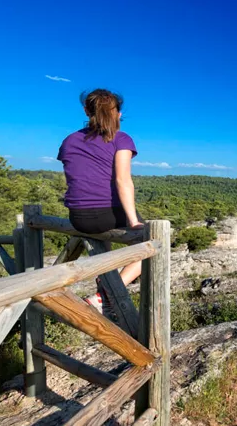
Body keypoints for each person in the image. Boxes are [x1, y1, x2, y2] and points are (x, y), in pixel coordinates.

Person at [57, 89, 143, 317]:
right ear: (119, 114)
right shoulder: (121, 139)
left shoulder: (69, 140)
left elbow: (76, 176)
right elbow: (123, 180)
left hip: (78, 217)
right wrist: (134, 222)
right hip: (106, 214)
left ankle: (105, 284)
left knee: (103, 249)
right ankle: (105, 296)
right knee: (151, 245)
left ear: (86, 111)